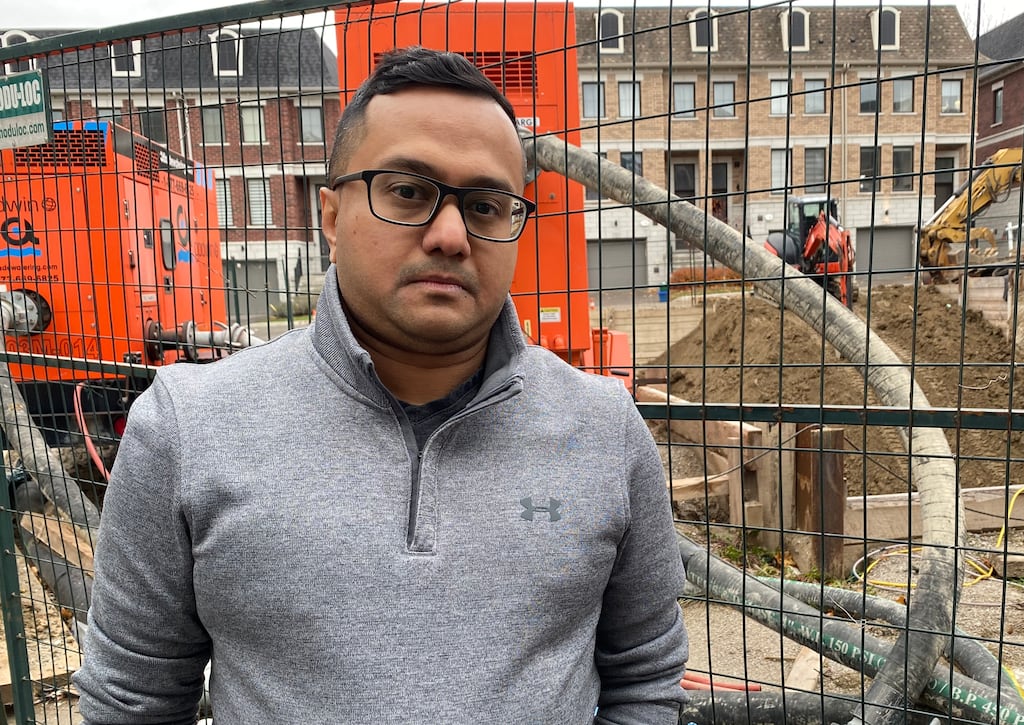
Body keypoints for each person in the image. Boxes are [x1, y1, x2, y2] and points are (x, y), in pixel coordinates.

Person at [72, 47, 689, 724]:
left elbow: (646, 676)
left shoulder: (604, 429)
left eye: (486, 205)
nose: (451, 235)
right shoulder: (188, 427)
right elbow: (131, 699)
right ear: (332, 217)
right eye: (408, 192)